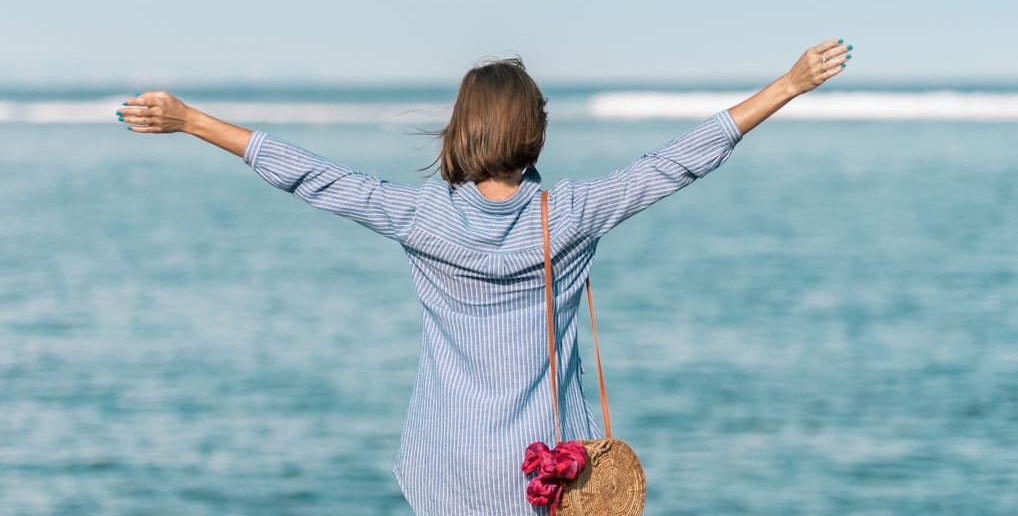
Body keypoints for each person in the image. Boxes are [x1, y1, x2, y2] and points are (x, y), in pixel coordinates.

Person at [116, 38, 852, 515]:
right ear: (534, 131)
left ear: (463, 128)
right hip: (548, 474)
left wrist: (191, 121)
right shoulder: (574, 212)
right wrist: (786, 85)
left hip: (447, 466)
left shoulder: (417, 216)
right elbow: (676, 162)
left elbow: (310, 176)